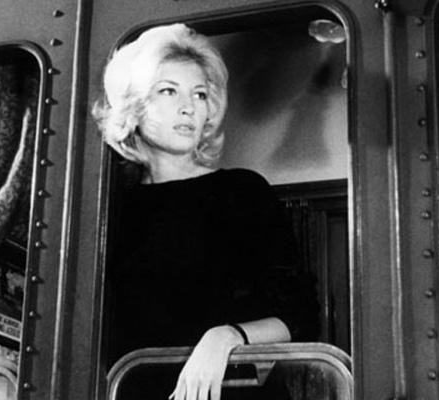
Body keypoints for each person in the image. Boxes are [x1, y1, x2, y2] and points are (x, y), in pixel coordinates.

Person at [93, 23, 318, 400]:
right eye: (168, 91)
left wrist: (226, 336)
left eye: (199, 94)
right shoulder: (109, 207)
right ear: (133, 104)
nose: (189, 107)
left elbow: (301, 315)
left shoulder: (242, 191)